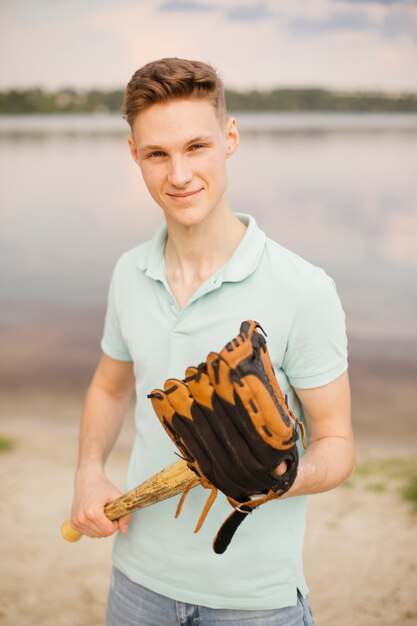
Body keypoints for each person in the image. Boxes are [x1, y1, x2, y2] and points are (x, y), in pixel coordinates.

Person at [70, 57, 355, 626]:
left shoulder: (303, 289)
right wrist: (88, 471)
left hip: (255, 602)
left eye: (196, 146)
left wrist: (271, 478)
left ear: (230, 138)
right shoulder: (129, 272)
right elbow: (108, 387)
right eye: (158, 154)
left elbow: (338, 444)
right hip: (136, 585)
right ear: (134, 155)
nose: (179, 174)